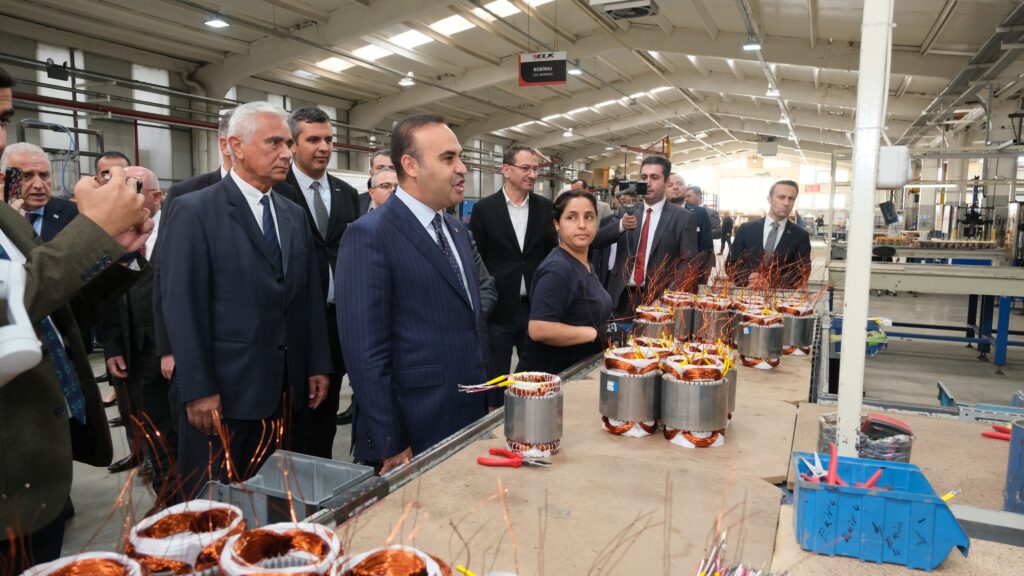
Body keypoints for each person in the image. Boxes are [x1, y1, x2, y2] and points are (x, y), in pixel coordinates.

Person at [160, 102, 331, 497]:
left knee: (274, 498)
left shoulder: (292, 214)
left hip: (284, 393)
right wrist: (197, 388)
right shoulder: (194, 210)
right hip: (224, 395)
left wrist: (317, 363)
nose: (287, 153)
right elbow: (182, 306)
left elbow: (307, 297)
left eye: (288, 143)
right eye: (274, 143)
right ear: (234, 146)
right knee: (217, 502)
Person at [0, 133, 153, 572]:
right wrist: (94, 234)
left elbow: (50, 309)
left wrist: (116, 255)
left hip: (39, 461)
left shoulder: (7, 219)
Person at [337, 114, 493, 474]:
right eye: (448, 158)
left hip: (468, 411)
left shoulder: (455, 230)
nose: (462, 168)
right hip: (413, 423)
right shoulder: (370, 235)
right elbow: (365, 352)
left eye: (460, 157)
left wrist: (487, 396)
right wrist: (390, 440)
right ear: (410, 166)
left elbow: (473, 323)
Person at [277, 106, 360, 456]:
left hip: (338, 319)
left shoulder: (346, 193)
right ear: (293, 145)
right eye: (313, 140)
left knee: (326, 412)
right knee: (295, 415)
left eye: (328, 139)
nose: (323, 147)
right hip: (295, 322)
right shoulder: (277, 191)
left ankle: (323, 472)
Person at [99, 167, 178, 506]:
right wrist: (113, 346)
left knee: (182, 433)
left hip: (175, 355)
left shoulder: (179, 230)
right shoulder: (112, 237)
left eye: (133, 188)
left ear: (156, 197)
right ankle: (168, 502)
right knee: (151, 433)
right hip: (135, 355)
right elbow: (107, 297)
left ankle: (190, 502)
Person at [470, 145, 558, 378]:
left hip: (536, 308)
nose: (532, 174)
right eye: (526, 168)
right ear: (506, 170)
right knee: (496, 376)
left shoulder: (545, 208)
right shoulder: (484, 209)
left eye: (535, 169)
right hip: (498, 311)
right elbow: (477, 261)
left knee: (535, 376)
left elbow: (552, 256)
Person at [521, 190, 612, 374]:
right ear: (557, 224)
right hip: (553, 378)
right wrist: (597, 333)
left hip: (576, 370)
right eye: (571, 217)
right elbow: (539, 328)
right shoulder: (558, 269)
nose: (582, 225)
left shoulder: (583, 263)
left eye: (589, 217)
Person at [592, 156, 698, 314]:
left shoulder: (682, 218)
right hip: (621, 296)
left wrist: (666, 297)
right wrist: (621, 225)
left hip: (657, 299)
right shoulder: (626, 212)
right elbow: (596, 241)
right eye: (644, 177)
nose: (648, 183)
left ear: (666, 181)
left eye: (654, 177)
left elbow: (688, 263)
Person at [727, 179, 811, 288]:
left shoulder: (800, 236)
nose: (786, 203)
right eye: (781, 197)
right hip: (747, 293)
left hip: (779, 296)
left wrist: (770, 283)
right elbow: (732, 263)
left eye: (791, 199)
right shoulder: (746, 229)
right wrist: (749, 279)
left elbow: (802, 272)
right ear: (769, 199)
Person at [3, 142, 79, 242]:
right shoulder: (2, 216)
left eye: (44, 175)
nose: (38, 185)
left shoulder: (75, 214)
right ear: (4, 179)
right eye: (27, 176)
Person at [683, 184, 715, 285]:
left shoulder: (710, 212)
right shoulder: (683, 211)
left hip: (702, 257)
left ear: (698, 195)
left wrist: (702, 230)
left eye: (689, 196)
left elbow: (717, 231)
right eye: (685, 196)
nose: (686, 199)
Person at [358, 149, 394, 215]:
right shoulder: (356, 202)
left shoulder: (410, 203)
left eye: (392, 168)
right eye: (380, 168)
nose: (386, 171)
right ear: (371, 173)